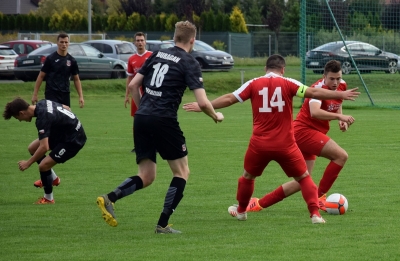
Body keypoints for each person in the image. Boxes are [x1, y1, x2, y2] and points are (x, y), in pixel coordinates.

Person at [183, 55, 359, 224]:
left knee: (248, 177)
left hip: (259, 144)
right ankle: (315, 214)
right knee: (305, 178)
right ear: (283, 70)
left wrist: (204, 106)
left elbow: (229, 98)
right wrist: (341, 96)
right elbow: (312, 92)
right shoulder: (289, 82)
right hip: (286, 144)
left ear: (265, 68)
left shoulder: (254, 83)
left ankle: (242, 211)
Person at [96, 21, 224, 234]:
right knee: (182, 172)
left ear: (175, 38)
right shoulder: (189, 62)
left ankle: (109, 198)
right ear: (192, 40)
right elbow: (202, 102)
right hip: (163, 119)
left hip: (142, 117)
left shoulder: (156, 54)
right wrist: (215, 116)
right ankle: (162, 224)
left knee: (147, 176)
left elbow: (133, 85)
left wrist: (143, 108)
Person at [245, 60, 355, 213]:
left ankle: (258, 204)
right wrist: (338, 118)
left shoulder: (342, 85)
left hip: (311, 133)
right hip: (304, 132)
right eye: (332, 79)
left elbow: (337, 101)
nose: (336, 82)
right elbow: (315, 112)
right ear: (324, 76)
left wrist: (340, 117)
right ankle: (320, 198)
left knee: (303, 180)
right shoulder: (317, 88)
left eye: (338, 78)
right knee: (341, 156)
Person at [3, 97, 87, 204]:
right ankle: (53, 179)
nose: (20, 121)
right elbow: (66, 107)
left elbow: (44, 148)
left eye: (17, 118)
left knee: (43, 166)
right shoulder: (42, 103)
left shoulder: (42, 119)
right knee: (32, 148)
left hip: (73, 140)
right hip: (64, 134)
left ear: (22, 113)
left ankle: (48, 198)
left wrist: (28, 163)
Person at [31, 32, 85, 188]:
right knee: (47, 137)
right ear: (57, 43)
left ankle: (48, 174)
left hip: (64, 101)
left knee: (57, 135)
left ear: (69, 43)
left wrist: (81, 96)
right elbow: (41, 76)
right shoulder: (50, 59)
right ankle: (48, 175)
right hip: (50, 100)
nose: (64, 44)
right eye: (61, 42)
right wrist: (35, 93)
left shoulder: (71, 61)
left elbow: (76, 79)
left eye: (66, 42)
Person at [124, 32, 153, 153]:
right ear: (134, 42)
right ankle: (138, 145)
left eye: (142, 40)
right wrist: (127, 95)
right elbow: (130, 78)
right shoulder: (132, 59)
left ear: (145, 42)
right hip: (136, 94)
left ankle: (152, 145)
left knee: (151, 120)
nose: (140, 42)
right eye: (138, 40)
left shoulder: (152, 56)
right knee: (137, 120)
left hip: (150, 94)